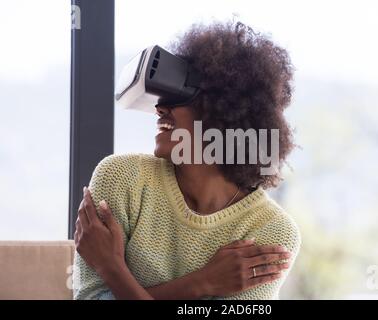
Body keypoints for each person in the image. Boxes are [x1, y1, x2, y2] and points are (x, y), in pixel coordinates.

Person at [73, 21, 300, 300]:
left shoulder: (270, 229)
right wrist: (203, 284)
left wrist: (112, 269)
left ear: (225, 112)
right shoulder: (122, 178)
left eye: (177, 97)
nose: (159, 108)